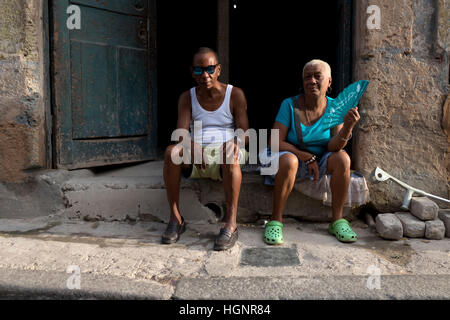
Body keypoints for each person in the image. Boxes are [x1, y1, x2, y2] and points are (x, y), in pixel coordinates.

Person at [262, 59, 360, 244]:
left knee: (343, 159)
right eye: (307, 77)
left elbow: (334, 147)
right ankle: (275, 221)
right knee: (289, 160)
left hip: (321, 159)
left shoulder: (335, 108)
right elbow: (274, 142)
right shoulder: (289, 105)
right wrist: (305, 156)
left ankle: (337, 220)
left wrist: (347, 127)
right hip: (290, 157)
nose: (312, 81)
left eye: (317, 76)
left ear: (329, 82)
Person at [162, 47, 249, 251]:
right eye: (199, 71)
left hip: (227, 155)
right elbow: (181, 132)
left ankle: (230, 223)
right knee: (171, 152)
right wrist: (192, 145)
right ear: (193, 72)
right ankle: (176, 218)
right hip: (197, 153)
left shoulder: (234, 94)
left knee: (230, 155)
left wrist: (233, 143)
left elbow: (244, 133)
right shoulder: (187, 97)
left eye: (210, 69)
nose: (205, 75)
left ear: (218, 69)